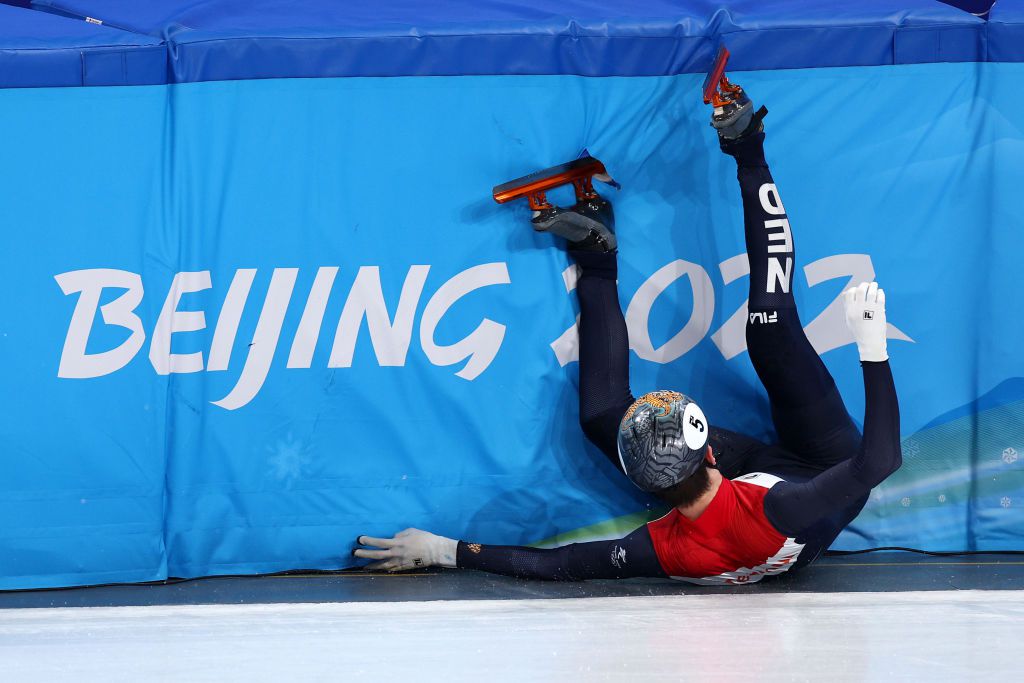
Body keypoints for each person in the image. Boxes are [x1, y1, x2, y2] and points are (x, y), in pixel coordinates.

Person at [354, 88, 902, 585]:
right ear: (712, 453)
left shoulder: (666, 548)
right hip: (821, 468)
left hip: (752, 502)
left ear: (650, 487)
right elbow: (876, 464)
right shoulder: (771, 510)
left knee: (600, 418)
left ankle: (597, 260)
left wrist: (449, 551)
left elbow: (562, 564)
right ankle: (749, 151)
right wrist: (872, 348)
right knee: (771, 329)